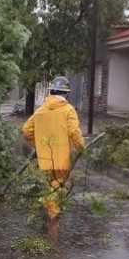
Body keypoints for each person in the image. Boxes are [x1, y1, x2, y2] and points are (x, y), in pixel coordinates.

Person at [22, 76, 86, 221]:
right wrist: (81, 149)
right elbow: (74, 132)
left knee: (49, 186)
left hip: (44, 159)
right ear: (66, 94)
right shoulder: (69, 110)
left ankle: (48, 210)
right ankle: (52, 219)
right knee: (57, 186)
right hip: (61, 159)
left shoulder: (41, 110)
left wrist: (39, 146)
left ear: (51, 92)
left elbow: (26, 130)